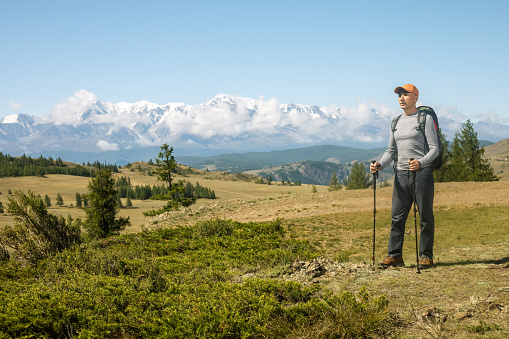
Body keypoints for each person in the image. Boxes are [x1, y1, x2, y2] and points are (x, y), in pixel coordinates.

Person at [370, 84, 439, 269]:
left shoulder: (425, 119)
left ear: (415, 97)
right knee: (397, 218)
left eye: (405, 95)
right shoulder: (396, 122)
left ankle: (426, 256)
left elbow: (435, 149)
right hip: (400, 175)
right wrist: (379, 165)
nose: (401, 98)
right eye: (399, 95)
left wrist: (421, 163)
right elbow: (391, 150)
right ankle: (395, 256)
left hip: (421, 175)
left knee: (425, 216)